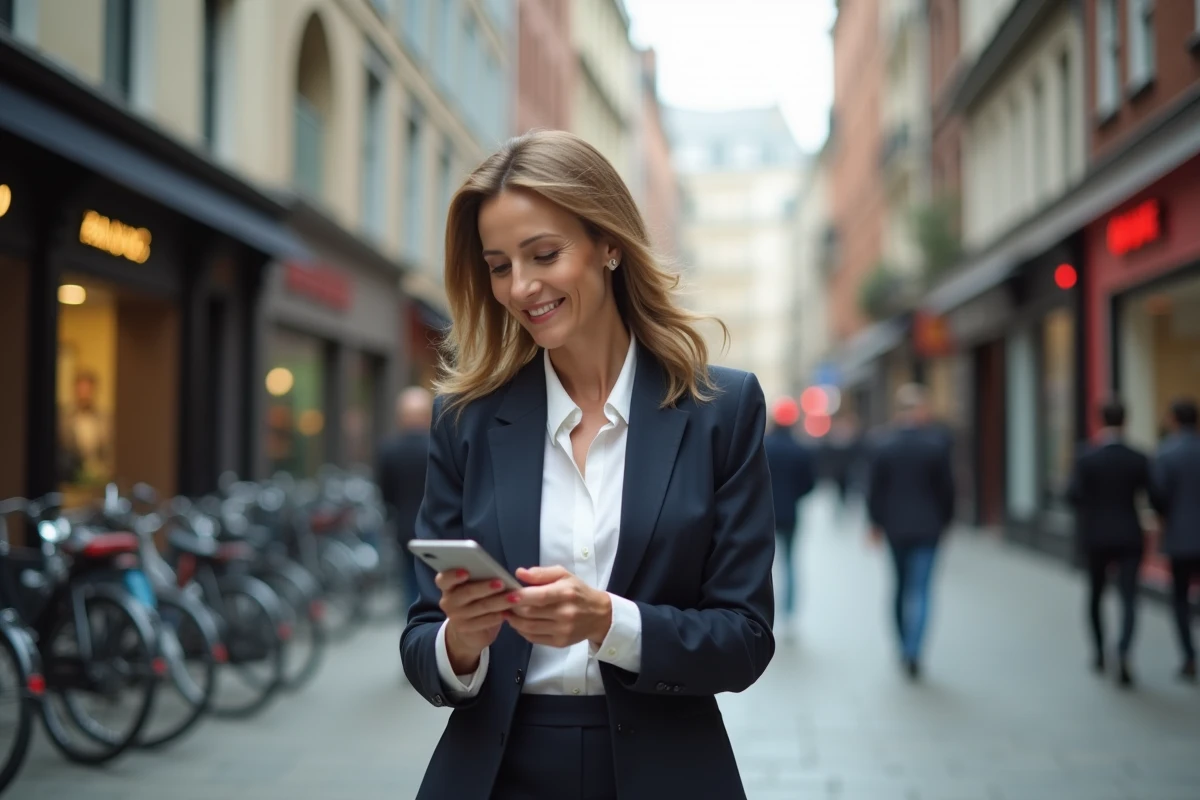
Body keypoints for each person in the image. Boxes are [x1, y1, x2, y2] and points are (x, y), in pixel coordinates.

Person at [399, 130, 776, 800]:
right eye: (499, 265)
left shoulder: (722, 408)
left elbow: (745, 639)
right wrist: (461, 641)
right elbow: (421, 637)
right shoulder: (468, 418)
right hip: (496, 771)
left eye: (544, 254)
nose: (522, 286)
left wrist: (608, 622)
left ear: (608, 245)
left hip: (666, 769)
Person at [866, 384, 955, 680]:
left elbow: (874, 490)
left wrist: (875, 523)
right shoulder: (936, 445)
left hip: (895, 527)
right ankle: (914, 650)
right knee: (922, 590)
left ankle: (903, 645)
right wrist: (946, 522)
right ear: (920, 410)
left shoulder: (883, 444)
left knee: (901, 587)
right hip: (929, 527)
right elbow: (947, 491)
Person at [1067, 399, 1150, 688]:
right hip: (1129, 533)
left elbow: (1073, 496)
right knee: (1129, 597)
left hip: (1096, 536)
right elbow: (1153, 496)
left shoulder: (1085, 457)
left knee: (1096, 595)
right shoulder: (1138, 457)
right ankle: (1124, 651)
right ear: (1125, 421)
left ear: (1099, 421)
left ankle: (1100, 652)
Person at [1150, 398, 1200, 682]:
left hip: (1180, 537)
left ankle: (1189, 656)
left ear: (1174, 420)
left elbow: (1158, 496)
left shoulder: (1166, 454)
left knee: (1180, 599)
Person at [376, 387, 434, 612]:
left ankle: (414, 624)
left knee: (410, 581)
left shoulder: (389, 450)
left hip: (404, 527)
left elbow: (385, 493)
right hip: (436, 528)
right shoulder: (437, 446)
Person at [763, 398, 816, 631]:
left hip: (764, 514)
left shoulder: (763, 446)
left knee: (763, 564)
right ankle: (790, 614)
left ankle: (764, 610)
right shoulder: (800, 449)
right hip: (791, 514)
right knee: (791, 562)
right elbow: (809, 484)